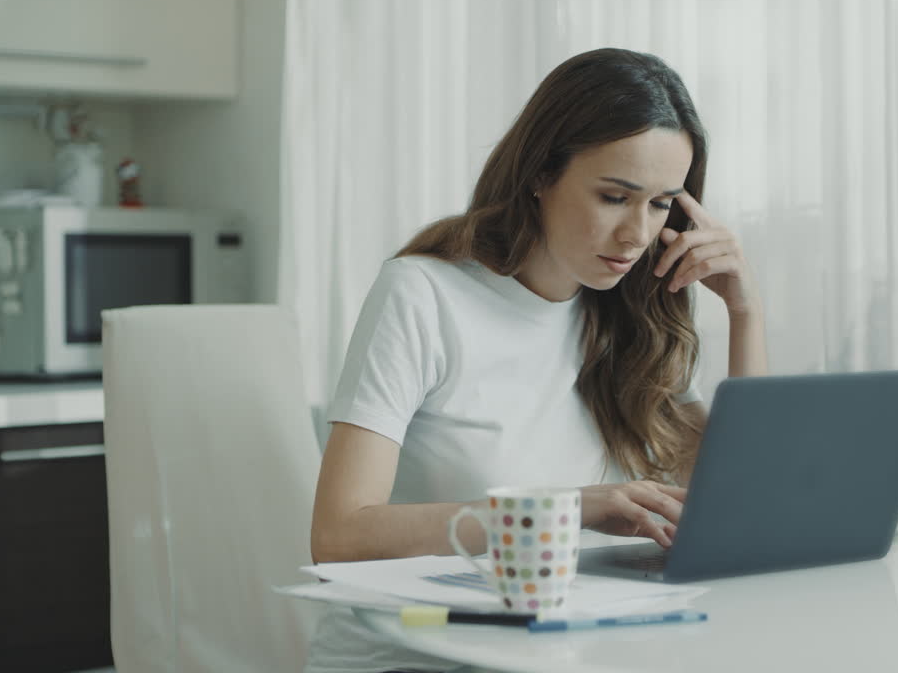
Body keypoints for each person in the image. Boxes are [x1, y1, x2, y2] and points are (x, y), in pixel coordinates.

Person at [303, 47, 767, 673]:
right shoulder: (423, 293)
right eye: (613, 196)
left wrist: (744, 312)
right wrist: (570, 509)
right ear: (540, 174)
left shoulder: (628, 321)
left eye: (661, 204)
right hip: (412, 656)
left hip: (564, 653)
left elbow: (746, 505)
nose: (636, 234)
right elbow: (339, 537)